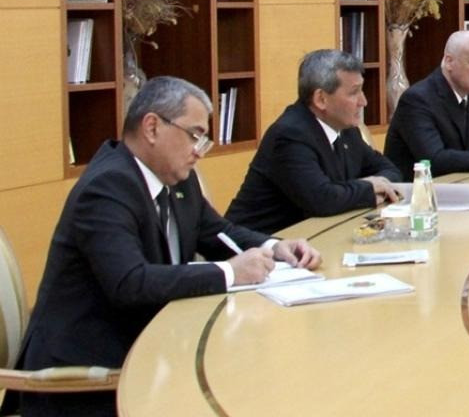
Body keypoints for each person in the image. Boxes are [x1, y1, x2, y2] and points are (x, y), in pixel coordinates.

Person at [13, 77, 320, 417]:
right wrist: (230, 272)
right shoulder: (107, 187)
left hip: (152, 349)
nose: (198, 151)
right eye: (194, 135)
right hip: (88, 377)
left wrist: (274, 246)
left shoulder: (176, 179)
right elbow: (130, 283)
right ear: (152, 127)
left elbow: (218, 232)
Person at [225, 49, 402, 234]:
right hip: (257, 244)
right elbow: (322, 199)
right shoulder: (290, 135)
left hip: (312, 237)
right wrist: (368, 188)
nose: (363, 101)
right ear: (321, 99)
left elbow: (391, 171)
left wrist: (370, 187)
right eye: (354, 93)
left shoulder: (346, 129)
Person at [384, 30, 469, 181]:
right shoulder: (416, 100)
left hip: (458, 187)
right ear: (449, 62)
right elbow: (435, 160)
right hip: (414, 191)